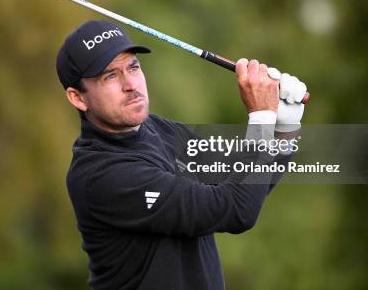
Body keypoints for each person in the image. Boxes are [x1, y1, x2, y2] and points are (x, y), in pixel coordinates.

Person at [56, 20, 306, 290]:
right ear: (78, 98)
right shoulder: (101, 175)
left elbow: (244, 183)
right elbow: (237, 209)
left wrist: (284, 130)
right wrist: (261, 117)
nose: (130, 84)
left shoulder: (160, 130)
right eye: (110, 76)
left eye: (133, 67)